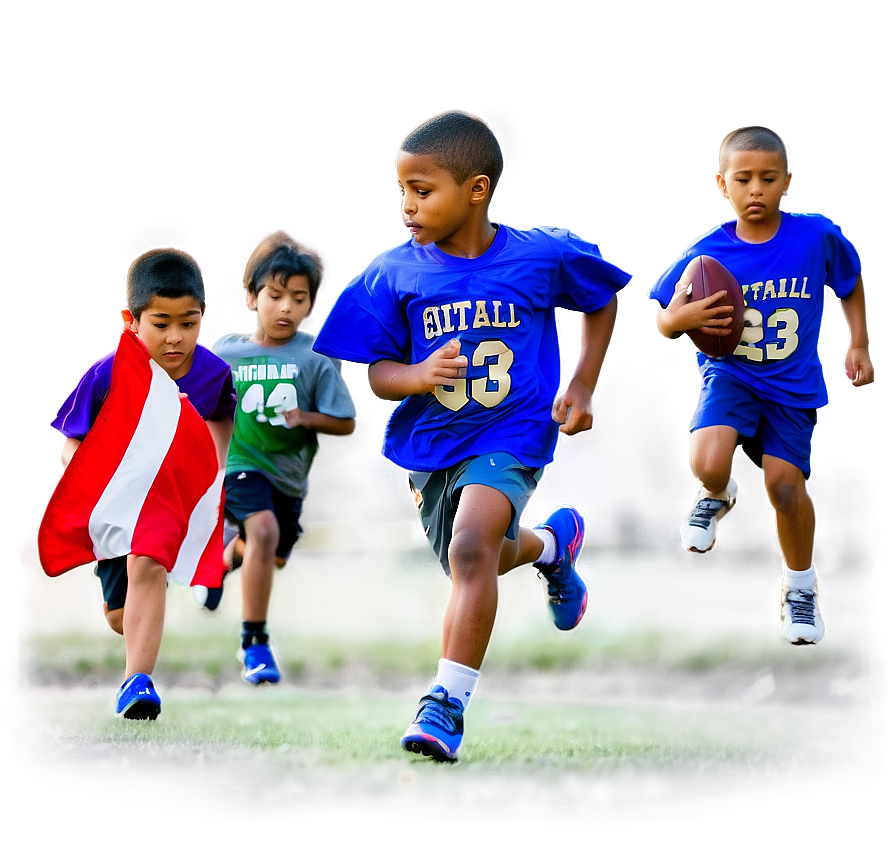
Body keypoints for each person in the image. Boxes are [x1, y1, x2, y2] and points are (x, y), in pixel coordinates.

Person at [313, 110, 630, 761]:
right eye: (400, 189)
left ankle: (446, 704)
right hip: (431, 446)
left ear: (476, 189)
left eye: (422, 190)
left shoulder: (541, 253)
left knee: (469, 545)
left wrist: (585, 380)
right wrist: (418, 374)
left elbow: (603, 296)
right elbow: (375, 378)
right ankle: (551, 549)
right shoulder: (393, 273)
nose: (406, 205)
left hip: (514, 430)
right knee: (473, 551)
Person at [649, 125, 874, 645]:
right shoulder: (707, 253)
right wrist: (676, 322)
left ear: (787, 181)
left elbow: (851, 281)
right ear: (721, 185)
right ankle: (716, 492)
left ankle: (799, 589)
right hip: (733, 374)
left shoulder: (816, 235)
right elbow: (663, 318)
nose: (756, 190)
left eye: (768, 179)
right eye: (744, 179)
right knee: (706, 463)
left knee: (784, 487)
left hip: (793, 385)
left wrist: (858, 342)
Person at [51, 248, 235, 718]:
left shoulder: (214, 374)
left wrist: (214, 491)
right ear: (130, 320)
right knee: (120, 615)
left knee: (147, 566)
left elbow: (221, 429)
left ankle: (136, 686)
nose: (176, 338)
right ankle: (134, 623)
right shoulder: (107, 374)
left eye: (188, 323)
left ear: (202, 317)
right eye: (161, 323)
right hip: (116, 507)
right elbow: (69, 444)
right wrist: (92, 487)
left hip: (167, 503)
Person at [200, 230, 356, 685]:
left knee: (268, 548)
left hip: (289, 478)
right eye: (275, 295)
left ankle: (222, 563)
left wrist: (305, 418)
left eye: (299, 298)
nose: (286, 307)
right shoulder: (226, 353)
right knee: (264, 531)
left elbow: (343, 421)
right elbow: (199, 410)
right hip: (239, 467)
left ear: (311, 305)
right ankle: (255, 644)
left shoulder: (317, 355)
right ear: (252, 297)